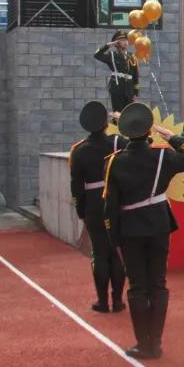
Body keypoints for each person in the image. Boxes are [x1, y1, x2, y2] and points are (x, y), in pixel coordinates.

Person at [103, 103, 184, 359]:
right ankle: (156, 343)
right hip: (159, 224)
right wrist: (170, 135)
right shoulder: (163, 156)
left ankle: (143, 343)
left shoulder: (115, 162)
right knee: (158, 284)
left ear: (125, 132)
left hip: (130, 228)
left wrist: (112, 238)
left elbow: (110, 206)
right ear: (149, 131)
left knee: (137, 286)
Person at [69, 101, 126, 314]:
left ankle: (103, 302)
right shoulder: (118, 142)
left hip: (93, 203)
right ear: (105, 123)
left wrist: (81, 210)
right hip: (115, 200)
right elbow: (142, 140)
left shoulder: (79, 151)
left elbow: (76, 186)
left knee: (100, 253)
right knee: (117, 253)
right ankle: (118, 300)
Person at [94, 30, 139, 112]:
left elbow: (135, 76)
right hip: (117, 88)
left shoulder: (132, 56)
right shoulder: (111, 55)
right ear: (117, 43)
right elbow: (97, 54)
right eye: (122, 40)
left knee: (128, 114)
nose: (125, 42)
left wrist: (135, 93)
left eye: (126, 40)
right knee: (117, 114)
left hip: (129, 90)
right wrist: (110, 44)